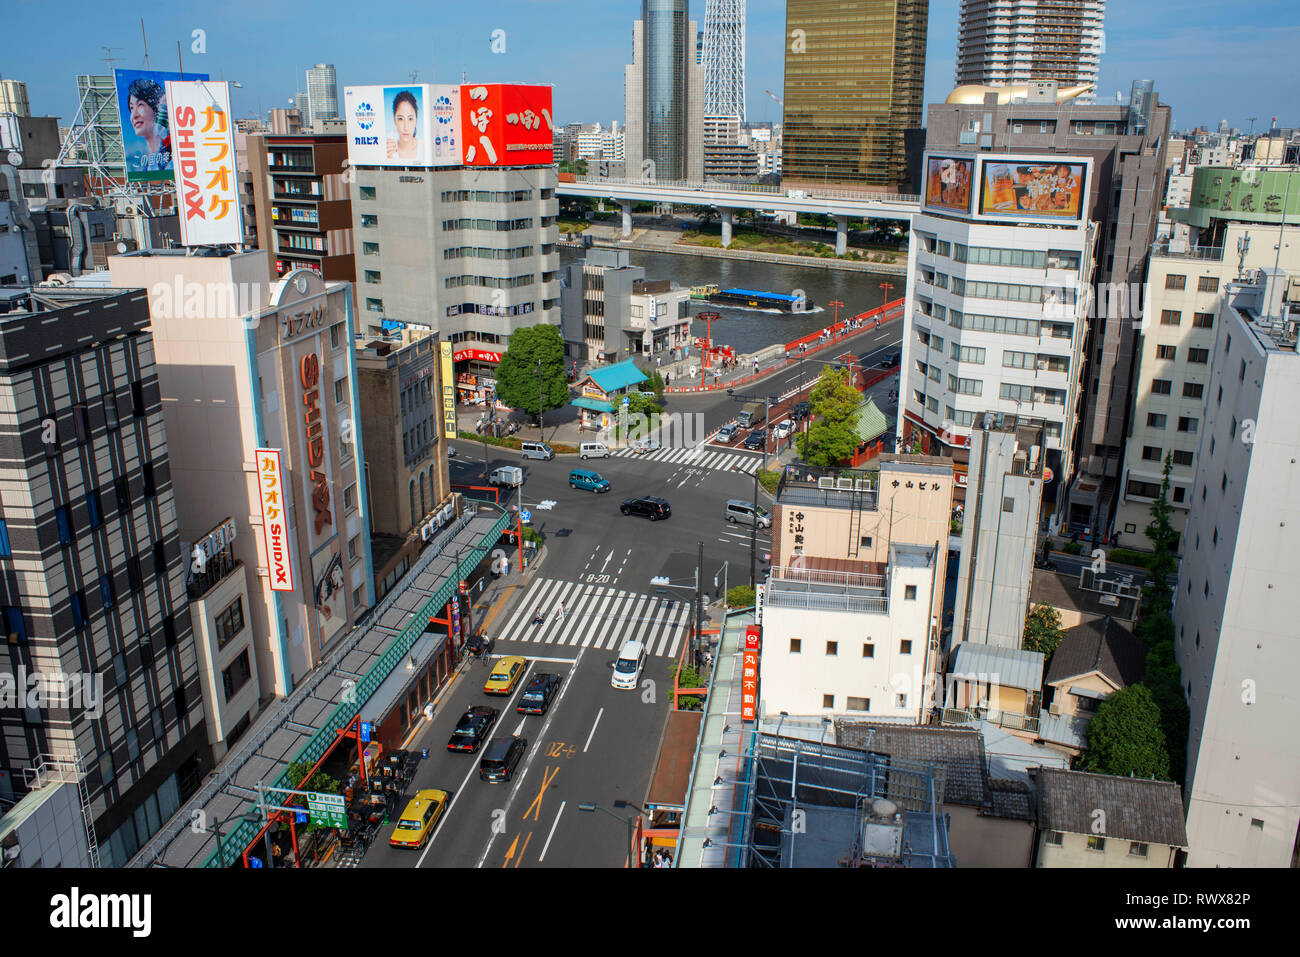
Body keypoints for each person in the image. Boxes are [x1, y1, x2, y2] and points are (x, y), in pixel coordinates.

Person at [126, 77, 171, 173]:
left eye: (140, 105)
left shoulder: (172, 159)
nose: (134, 115)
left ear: (156, 109)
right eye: (131, 108)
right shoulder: (146, 165)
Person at [386, 90, 423, 161]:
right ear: (394, 120)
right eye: (400, 119)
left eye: (410, 119)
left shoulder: (425, 148)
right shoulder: (389, 149)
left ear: (416, 120)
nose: (405, 127)